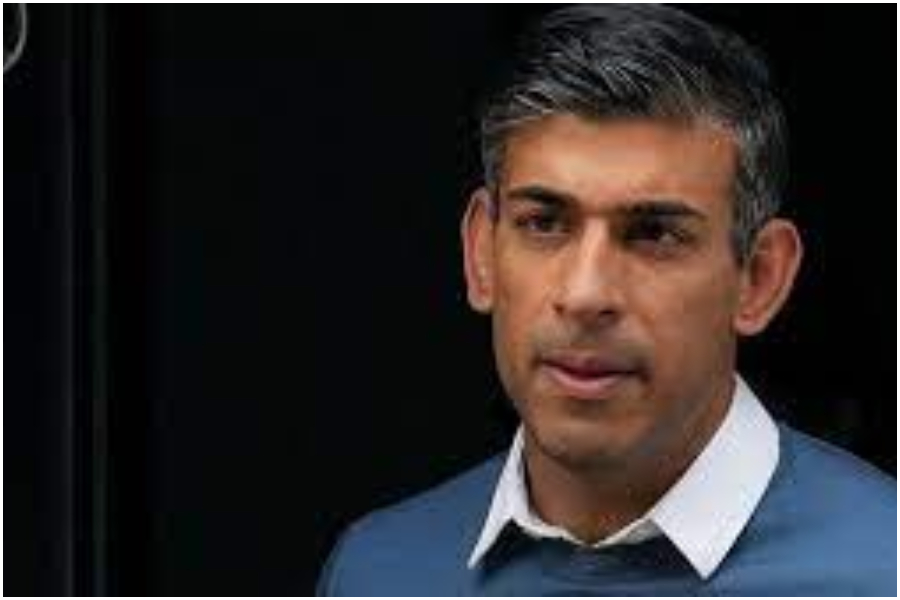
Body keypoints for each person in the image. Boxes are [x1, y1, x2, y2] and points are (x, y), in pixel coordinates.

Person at [316, 5, 896, 596]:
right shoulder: (379, 572)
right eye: (544, 223)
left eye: (655, 234)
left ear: (760, 278)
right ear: (481, 253)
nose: (585, 293)